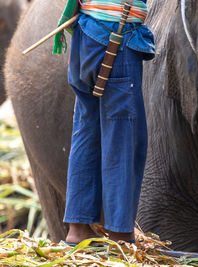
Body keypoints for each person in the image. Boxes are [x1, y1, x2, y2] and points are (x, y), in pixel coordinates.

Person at [53, 0, 155, 244]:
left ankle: (78, 229)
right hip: (114, 37)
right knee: (124, 134)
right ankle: (120, 232)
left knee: (86, 129)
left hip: (85, 33)